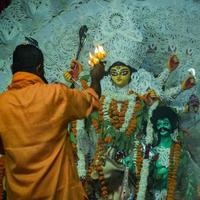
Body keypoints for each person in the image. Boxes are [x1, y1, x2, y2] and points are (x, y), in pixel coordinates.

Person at [0, 44, 105, 200]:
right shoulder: (55, 94)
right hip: (60, 194)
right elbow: (92, 100)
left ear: (12, 68)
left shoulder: (2, 103)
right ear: (40, 68)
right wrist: (96, 77)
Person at [149, 106, 198, 200]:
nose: (162, 127)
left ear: (172, 125)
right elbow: (143, 177)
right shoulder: (151, 151)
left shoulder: (181, 152)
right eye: (159, 124)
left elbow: (188, 183)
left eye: (166, 123)